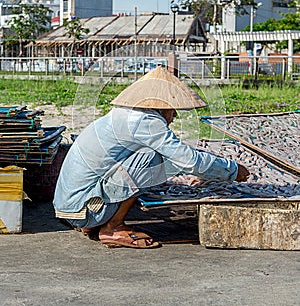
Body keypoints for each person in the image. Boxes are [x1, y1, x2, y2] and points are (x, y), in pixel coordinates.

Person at [53, 66, 249, 249]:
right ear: (163, 106)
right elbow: (187, 159)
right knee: (152, 158)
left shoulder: (125, 113)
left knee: (156, 157)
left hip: (70, 207)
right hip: (84, 210)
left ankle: (98, 222)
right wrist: (231, 169)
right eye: (173, 110)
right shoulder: (144, 121)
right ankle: (113, 227)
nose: (173, 118)